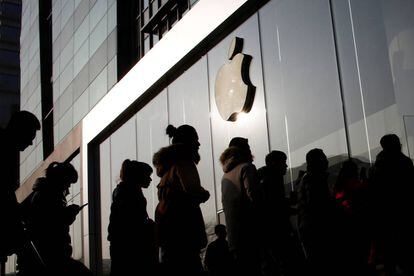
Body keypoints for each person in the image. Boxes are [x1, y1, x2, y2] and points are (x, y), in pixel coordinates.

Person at [153, 124, 210, 276]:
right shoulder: (184, 162)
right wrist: (205, 194)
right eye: (195, 140)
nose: (198, 144)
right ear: (188, 142)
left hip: (168, 235)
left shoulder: (166, 170)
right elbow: (192, 189)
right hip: (184, 233)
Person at [18, 162, 91, 276]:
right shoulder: (47, 196)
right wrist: (68, 214)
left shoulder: (43, 194)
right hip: (51, 259)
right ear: (61, 180)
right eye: (67, 184)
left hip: (50, 258)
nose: (68, 189)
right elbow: (49, 225)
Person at [369, 134, 414, 275]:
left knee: (390, 257)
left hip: (384, 218)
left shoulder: (376, 166)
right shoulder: (404, 162)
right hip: (403, 215)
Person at [0, 111, 40, 270]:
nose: (31, 143)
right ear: (20, 130)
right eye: (30, 136)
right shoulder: (5, 150)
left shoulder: (7, 148)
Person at [220, 137, 262, 275]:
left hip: (234, 238)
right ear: (244, 150)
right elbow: (256, 199)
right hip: (251, 235)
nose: (250, 150)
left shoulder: (225, 177)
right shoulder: (246, 168)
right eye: (248, 147)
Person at [258, 150, 304, 276]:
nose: (286, 166)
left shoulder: (266, 179)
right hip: (279, 231)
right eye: (283, 162)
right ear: (274, 163)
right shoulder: (272, 179)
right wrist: (296, 210)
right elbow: (276, 207)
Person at [108, 159, 156, 276]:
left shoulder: (123, 192)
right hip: (131, 250)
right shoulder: (130, 194)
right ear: (138, 176)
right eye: (148, 176)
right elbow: (132, 225)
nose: (150, 179)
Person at [297, 148, 336, 275]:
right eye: (323, 158)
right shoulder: (315, 179)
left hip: (309, 228)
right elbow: (319, 205)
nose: (326, 161)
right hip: (318, 229)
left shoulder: (306, 179)